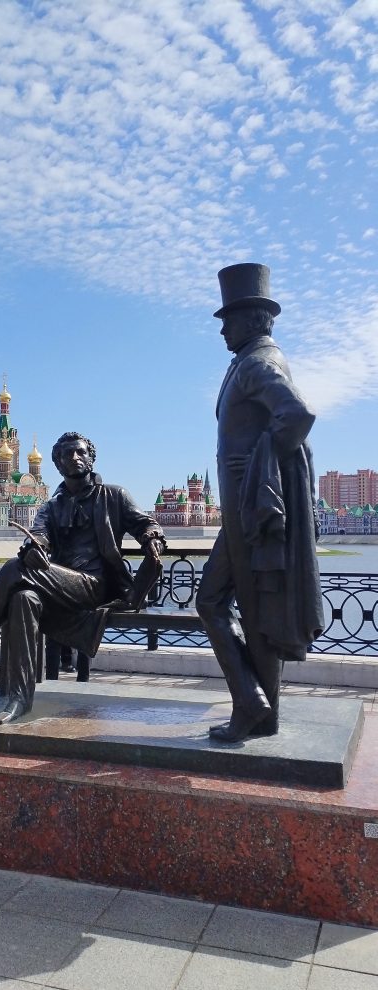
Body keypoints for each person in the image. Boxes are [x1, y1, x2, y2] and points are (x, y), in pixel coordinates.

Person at [0, 433, 165, 724]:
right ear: (58, 464)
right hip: (57, 586)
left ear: (91, 458)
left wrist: (152, 538)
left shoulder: (114, 495)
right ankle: (19, 700)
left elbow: (147, 524)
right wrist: (33, 549)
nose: (75, 458)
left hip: (98, 587)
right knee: (23, 599)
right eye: (67, 454)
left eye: (81, 452)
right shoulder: (51, 505)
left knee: (13, 568)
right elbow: (38, 535)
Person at [196, 263, 324, 742]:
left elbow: (297, 414)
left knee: (248, 608)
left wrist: (257, 465)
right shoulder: (248, 360)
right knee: (224, 603)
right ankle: (255, 706)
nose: (222, 330)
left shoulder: (257, 363)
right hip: (243, 513)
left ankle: (255, 709)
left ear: (251, 320)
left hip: (252, 511)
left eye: (227, 320)